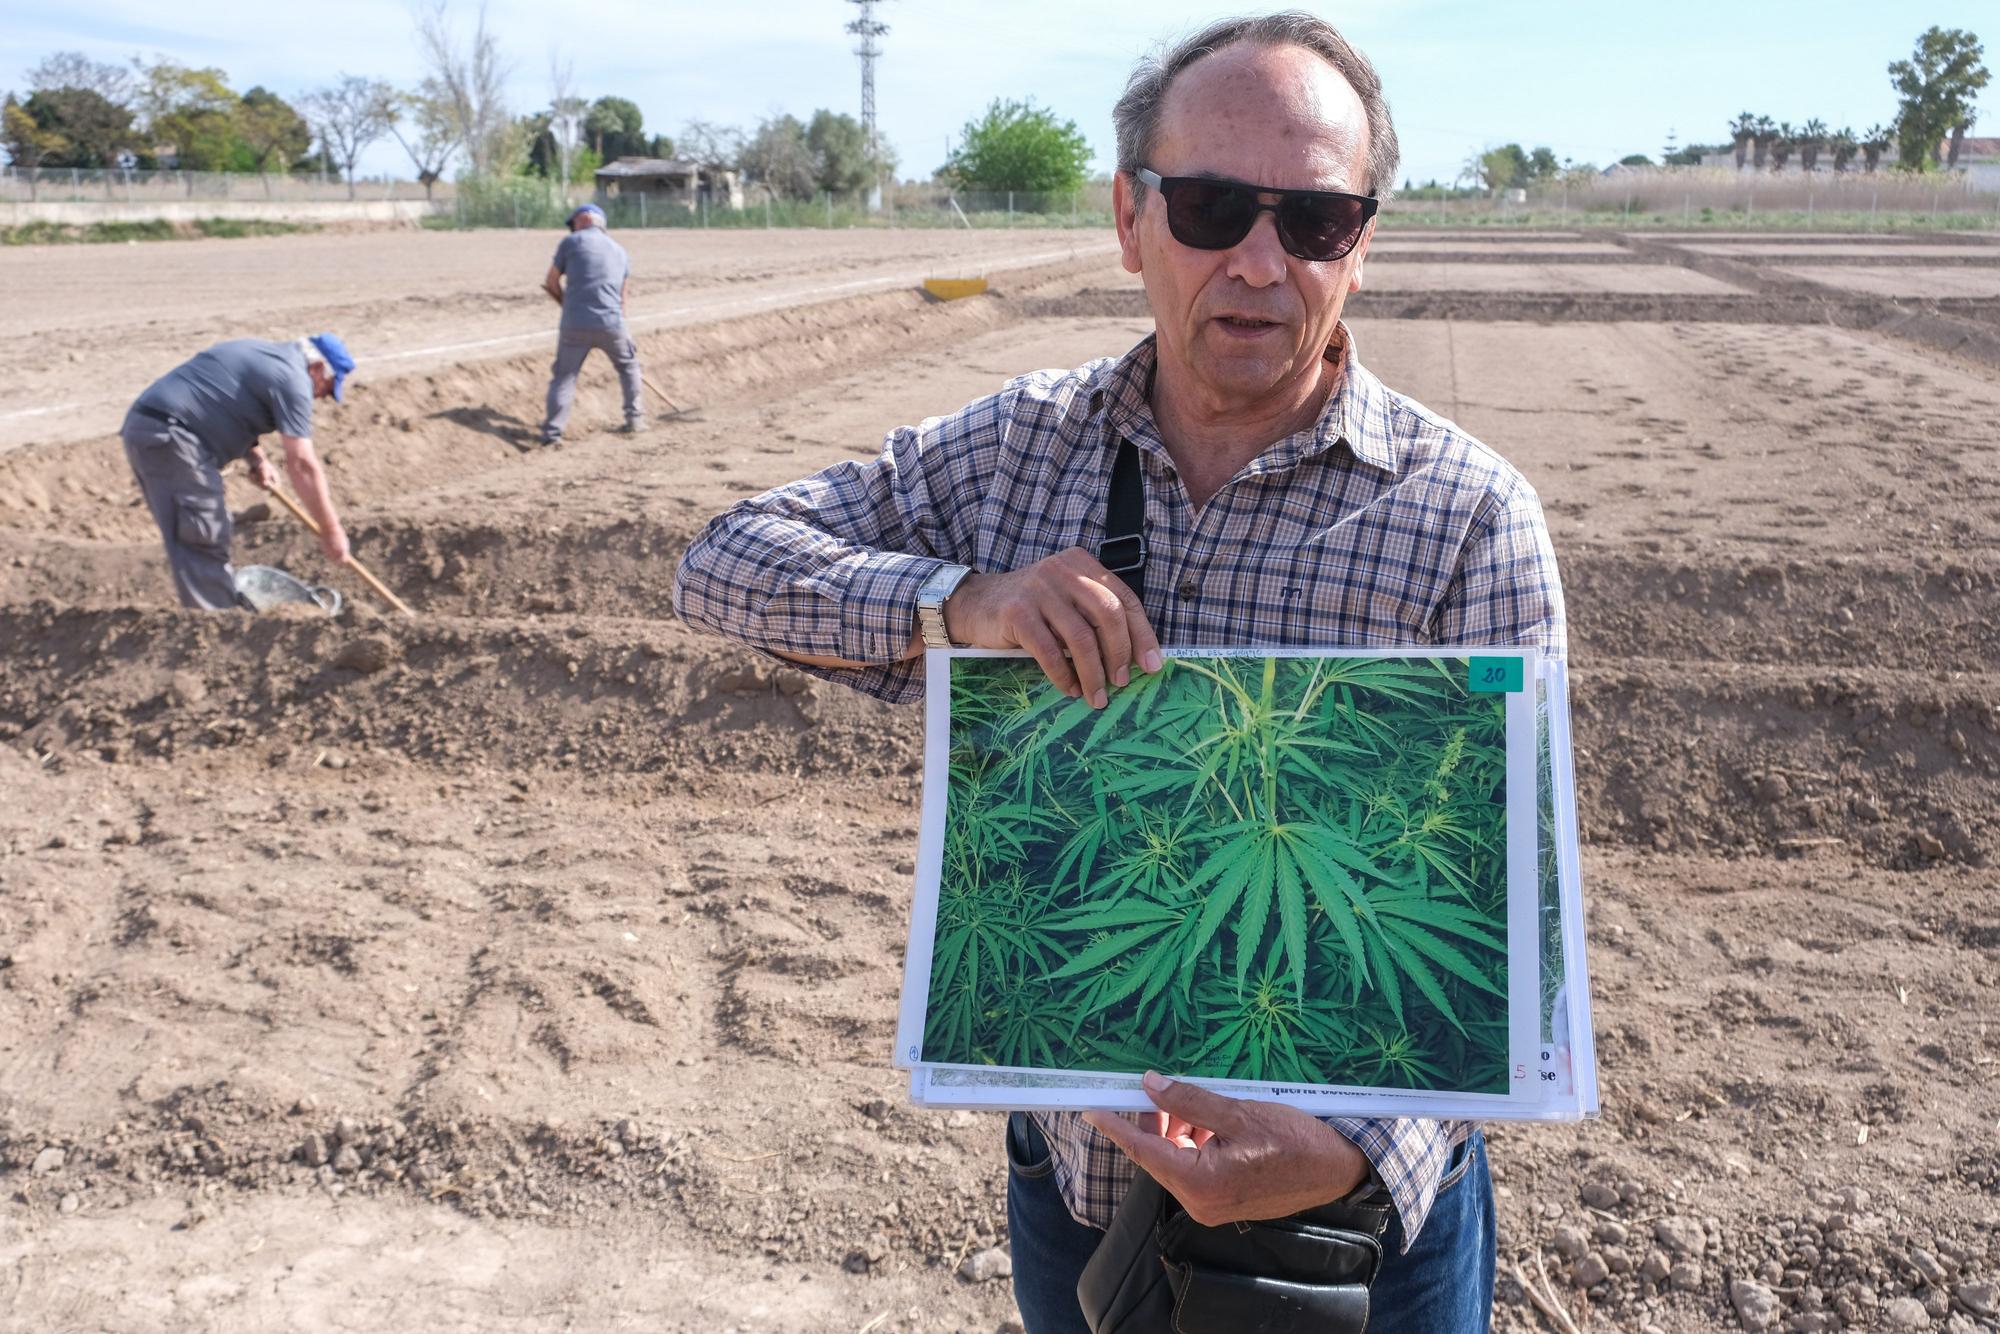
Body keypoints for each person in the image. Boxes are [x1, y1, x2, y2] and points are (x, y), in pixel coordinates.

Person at [673, 13, 1565, 1332]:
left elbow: (1510, 921)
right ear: (1130, 217)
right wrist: (961, 601)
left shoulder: (1470, 520)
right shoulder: (1015, 455)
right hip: (1082, 1196)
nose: (1260, 260)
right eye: (1211, 206)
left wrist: (1356, 1150)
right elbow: (723, 562)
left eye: (1315, 220)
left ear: (1360, 246)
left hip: (1357, 1233)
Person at [121, 334, 355, 611]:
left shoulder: (259, 351)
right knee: (204, 533)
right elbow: (302, 463)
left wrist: (256, 458)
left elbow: (221, 401)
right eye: (327, 388)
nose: (321, 397)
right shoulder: (294, 380)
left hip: (153, 427)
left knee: (197, 535)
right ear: (317, 368)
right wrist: (331, 530)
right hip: (173, 436)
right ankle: (217, 627)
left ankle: (212, 614)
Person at [539, 201, 645, 444]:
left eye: (573, 223)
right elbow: (622, 299)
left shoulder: (571, 243)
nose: (572, 229)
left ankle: (552, 433)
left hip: (574, 324)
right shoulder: (619, 251)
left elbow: (551, 282)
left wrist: (568, 305)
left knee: (564, 377)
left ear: (583, 219)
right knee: (629, 367)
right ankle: (635, 419)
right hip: (612, 322)